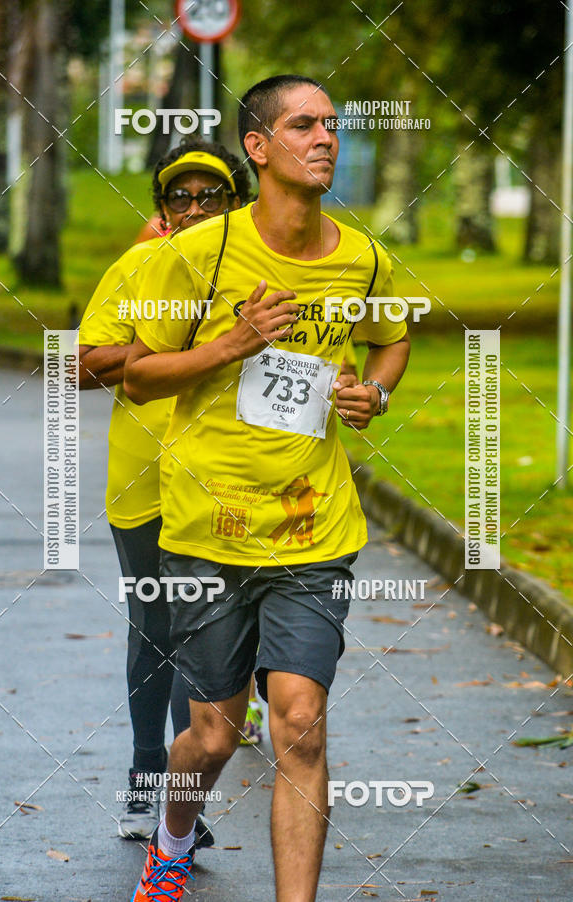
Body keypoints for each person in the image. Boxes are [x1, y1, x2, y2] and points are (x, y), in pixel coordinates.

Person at [124, 74, 410, 902]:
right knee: (212, 738)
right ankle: (172, 840)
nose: (325, 138)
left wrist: (374, 393)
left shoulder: (363, 258)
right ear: (258, 146)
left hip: (313, 530)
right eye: (303, 125)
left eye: (332, 125)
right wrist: (232, 344)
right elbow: (136, 375)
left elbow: (391, 340)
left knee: (300, 728)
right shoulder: (197, 254)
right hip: (208, 529)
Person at [77, 137, 251, 842]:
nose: (196, 207)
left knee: (207, 637)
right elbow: (79, 365)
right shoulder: (139, 266)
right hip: (146, 480)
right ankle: (146, 778)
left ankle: (184, 805)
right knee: (156, 629)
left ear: (238, 203)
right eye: (181, 196)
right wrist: (171, 351)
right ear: (162, 208)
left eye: (212, 195)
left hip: (236, 483)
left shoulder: (265, 271)